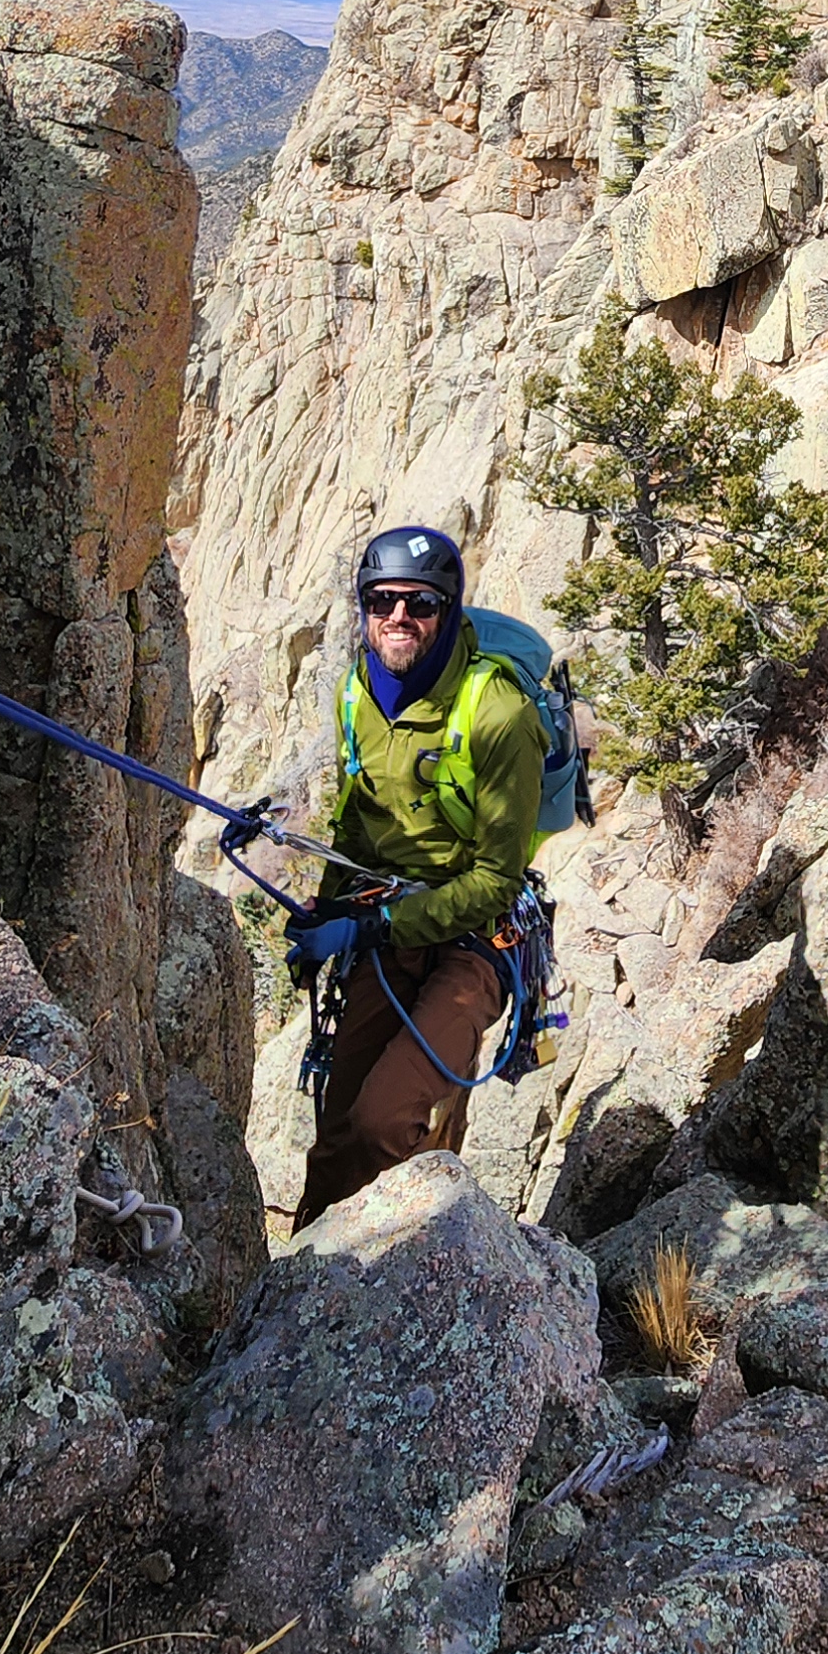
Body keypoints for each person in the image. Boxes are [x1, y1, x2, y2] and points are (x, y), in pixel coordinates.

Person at [287, 522, 545, 1227]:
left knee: (385, 1121)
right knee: (339, 1127)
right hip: (388, 924)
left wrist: (368, 923)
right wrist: (326, 914)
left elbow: (497, 879)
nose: (398, 617)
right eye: (383, 601)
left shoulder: (498, 714)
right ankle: (303, 1279)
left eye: (420, 604)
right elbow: (358, 823)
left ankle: (412, 1267)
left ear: (449, 608)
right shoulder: (356, 695)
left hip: (476, 944)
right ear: (364, 608)